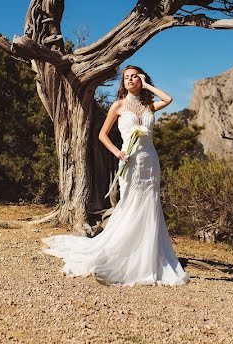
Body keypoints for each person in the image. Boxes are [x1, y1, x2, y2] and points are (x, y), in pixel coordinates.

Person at [40, 65, 190, 286]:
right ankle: (124, 251)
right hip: (129, 161)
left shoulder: (149, 105)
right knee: (130, 203)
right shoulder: (119, 105)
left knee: (150, 205)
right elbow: (102, 135)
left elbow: (168, 99)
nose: (129, 79)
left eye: (134, 76)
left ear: (141, 79)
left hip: (150, 161)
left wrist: (148, 85)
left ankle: (148, 254)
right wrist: (117, 152)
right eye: (126, 77)